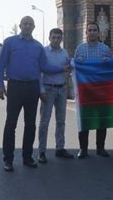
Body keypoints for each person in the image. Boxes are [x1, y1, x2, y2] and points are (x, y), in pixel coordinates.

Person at [0, 16, 62, 172]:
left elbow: (44, 67)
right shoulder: (10, 42)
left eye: (30, 24)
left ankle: (27, 157)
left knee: (30, 124)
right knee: (10, 124)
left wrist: (62, 68)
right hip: (15, 87)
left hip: (32, 88)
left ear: (34, 27)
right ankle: (8, 159)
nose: (27, 26)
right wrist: (0, 85)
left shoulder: (38, 46)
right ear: (20, 26)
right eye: (24, 24)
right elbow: (0, 66)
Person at [74, 22, 113, 159]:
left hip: (101, 90)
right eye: (90, 30)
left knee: (101, 120)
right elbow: (73, 69)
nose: (92, 32)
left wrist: (110, 61)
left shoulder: (105, 49)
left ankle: (100, 148)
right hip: (85, 91)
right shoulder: (80, 49)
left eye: (94, 30)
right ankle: (83, 149)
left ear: (98, 33)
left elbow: (112, 69)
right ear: (86, 33)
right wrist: (77, 62)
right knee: (85, 119)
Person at [37, 28, 74, 164]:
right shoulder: (44, 52)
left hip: (62, 89)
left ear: (61, 39)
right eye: (54, 37)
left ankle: (60, 148)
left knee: (61, 121)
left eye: (59, 37)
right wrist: (40, 90)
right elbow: (40, 71)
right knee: (44, 122)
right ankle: (41, 151)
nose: (56, 40)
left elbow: (69, 69)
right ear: (49, 37)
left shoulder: (64, 53)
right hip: (48, 89)